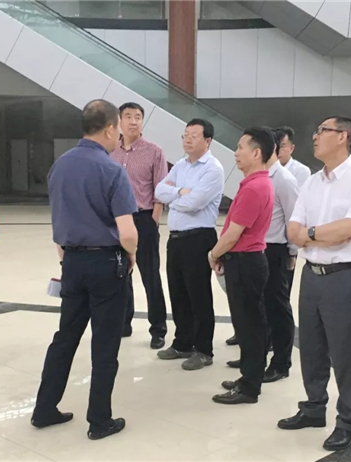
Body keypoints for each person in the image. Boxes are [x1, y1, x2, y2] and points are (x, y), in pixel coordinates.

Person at [32, 100, 138, 441]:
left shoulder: (60, 166)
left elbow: (59, 222)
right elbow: (127, 232)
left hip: (72, 263)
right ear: (108, 129)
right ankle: (100, 419)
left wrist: (67, 258)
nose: (119, 135)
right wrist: (131, 255)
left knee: (65, 338)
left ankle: (44, 408)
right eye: (118, 128)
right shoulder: (112, 171)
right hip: (107, 263)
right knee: (105, 345)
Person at [278, 116, 351, 452]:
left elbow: (349, 228)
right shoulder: (312, 181)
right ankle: (313, 407)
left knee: (345, 354)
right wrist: (319, 235)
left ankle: (348, 422)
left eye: (322, 130)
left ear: (343, 136)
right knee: (311, 348)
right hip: (311, 276)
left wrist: (310, 234)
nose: (315, 136)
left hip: (343, 277)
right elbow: (293, 229)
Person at [207, 127, 274, 404]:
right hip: (245, 261)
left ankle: (249, 387)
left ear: (256, 153)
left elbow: (234, 233)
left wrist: (213, 254)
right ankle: (248, 376)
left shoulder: (255, 188)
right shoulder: (254, 183)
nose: (236, 152)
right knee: (247, 323)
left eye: (240, 147)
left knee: (250, 325)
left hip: (246, 263)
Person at [226, 133, 299, 382]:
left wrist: (292, 252)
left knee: (277, 307)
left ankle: (281, 362)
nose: (238, 152)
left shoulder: (284, 179)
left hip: (276, 249)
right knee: (257, 310)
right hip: (256, 249)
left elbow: (294, 218)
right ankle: (255, 359)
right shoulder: (257, 177)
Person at [154, 119, 225, 371]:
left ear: (208, 141)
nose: (187, 139)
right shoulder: (181, 165)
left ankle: (204, 350)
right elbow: (159, 191)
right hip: (175, 239)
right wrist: (180, 192)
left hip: (199, 238)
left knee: (199, 295)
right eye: (185, 135)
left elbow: (194, 202)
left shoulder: (213, 169)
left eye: (194, 135)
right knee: (178, 293)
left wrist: (175, 196)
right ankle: (183, 343)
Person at [110, 102, 168, 349]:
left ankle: (158, 329)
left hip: (144, 218)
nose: (133, 121)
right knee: (120, 273)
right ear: (119, 121)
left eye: (138, 117)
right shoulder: (110, 151)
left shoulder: (154, 151)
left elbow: (161, 190)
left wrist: (153, 220)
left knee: (150, 275)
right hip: (116, 220)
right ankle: (124, 323)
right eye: (128, 117)